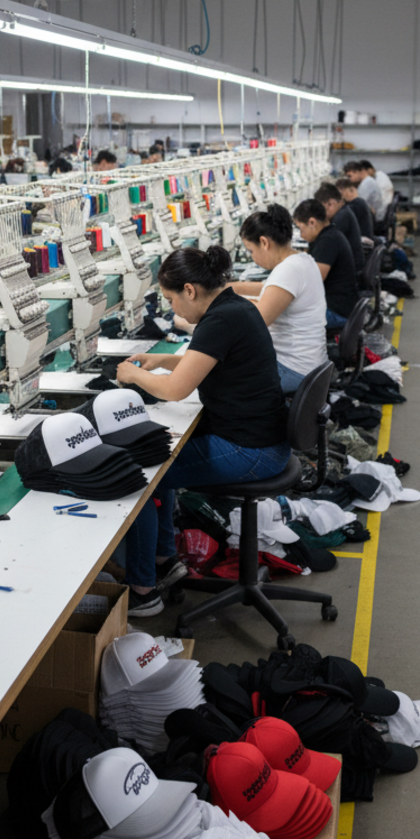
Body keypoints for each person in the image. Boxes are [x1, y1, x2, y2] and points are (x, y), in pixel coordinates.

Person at [114, 245, 290, 616]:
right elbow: (204, 359)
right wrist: (159, 360)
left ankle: (143, 591)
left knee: (141, 475)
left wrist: (133, 374)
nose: (172, 309)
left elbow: (177, 389)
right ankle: (165, 559)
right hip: (264, 441)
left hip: (251, 452)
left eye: (170, 299)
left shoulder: (220, 321)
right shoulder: (235, 308)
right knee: (163, 457)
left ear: (190, 290)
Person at [227, 205, 330, 394]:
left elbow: (255, 323)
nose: (252, 257)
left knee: (223, 381)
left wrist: (226, 304)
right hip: (312, 364)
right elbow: (270, 290)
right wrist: (232, 287)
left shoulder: (288, 270)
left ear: (264, 243)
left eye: (251, 250)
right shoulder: (303, 259)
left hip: (293, 369)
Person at [293, 198, 359, 326]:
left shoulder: (328, 241)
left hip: (336, 311)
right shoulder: (328, 234)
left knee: (283, 318)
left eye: (301, 229)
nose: (301, 235)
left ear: (312, 222)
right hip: (340, 306)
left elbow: (313, 281)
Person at [314, 182, 365, 278]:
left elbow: (327, 244)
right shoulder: (344, 212)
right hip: (350, 267)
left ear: (330, 204)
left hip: (349, 274)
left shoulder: (341, 218)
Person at [337, 177, 375, 243]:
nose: (340, 196)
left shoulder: (357, 204)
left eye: (342, 191)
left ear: (352, 190)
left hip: (362, 242)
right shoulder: (359, 203)